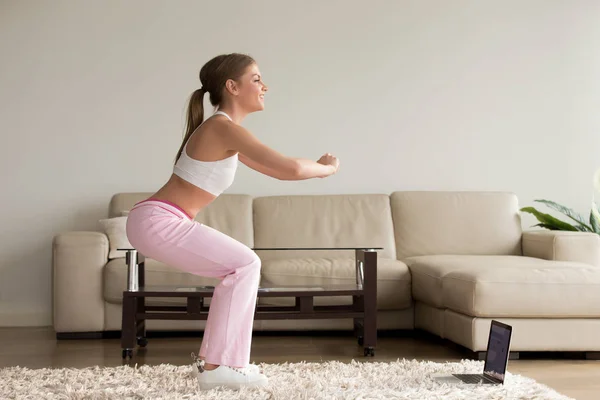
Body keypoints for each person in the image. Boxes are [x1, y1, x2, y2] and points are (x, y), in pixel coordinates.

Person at [125, 53, 340, 390]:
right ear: (232, 86)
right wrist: (326, 169)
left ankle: (221, 366)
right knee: (244, 264)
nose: (264, 86)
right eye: (256, 79)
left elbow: (280, 170)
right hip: (158, 220)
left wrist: (316, 166)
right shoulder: (221, 127)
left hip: (156, 220)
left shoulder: (226, 132)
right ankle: (219, 367)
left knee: (241, 265)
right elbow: (291, 169)